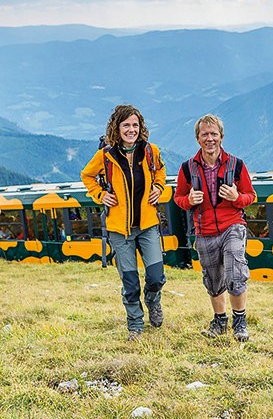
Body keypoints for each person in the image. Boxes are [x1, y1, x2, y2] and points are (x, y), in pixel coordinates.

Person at [80, 104, 167, 342]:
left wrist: (158, 188)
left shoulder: (150, 151)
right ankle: (136, 325)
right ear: (117, 128)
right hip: (119, 230)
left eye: (135, 125)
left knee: (157, 276)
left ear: (141, 128)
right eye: (126, 125)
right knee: (130, 282)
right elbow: (86, 175)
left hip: (148, 225)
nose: (131, 130)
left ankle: (152, 301)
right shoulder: (105, 156)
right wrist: (100, 195)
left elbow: (161, 172)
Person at [174, 114, 256, 342]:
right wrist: (189, 200)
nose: (210, 138)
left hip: (233, 225)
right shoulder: (188, 168)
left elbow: (251, 196)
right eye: (205, 135)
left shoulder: (236, 165)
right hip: (204, 230)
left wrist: (236, 197)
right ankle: (220, 320)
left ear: (221, 136)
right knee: (212, 279)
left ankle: (240, 322)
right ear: (198, 139)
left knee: (235, 273)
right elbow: (178, 198)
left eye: (214, 134)